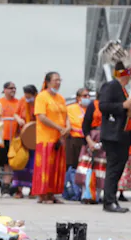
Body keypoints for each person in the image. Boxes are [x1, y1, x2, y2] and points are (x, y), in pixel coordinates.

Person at [99, 60, 131, 213]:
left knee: (119, 168)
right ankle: (108, 201)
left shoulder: (123, 90)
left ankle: (113, 198)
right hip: (112, 135)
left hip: (123, 135)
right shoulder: (111, 86)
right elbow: (103, 106)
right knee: (113, 168)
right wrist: (122, 106)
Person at [32, 72, 69, 204]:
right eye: (55, 80)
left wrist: (67, 127)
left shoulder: (61, 98)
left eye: (59, 80)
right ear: (47, 82)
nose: (58, 82)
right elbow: (41, 117)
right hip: (45, 138)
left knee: (57, 167)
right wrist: (59, 128)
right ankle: (43, 194)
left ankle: (52, 193)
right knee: (45, 166)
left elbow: (66, 115)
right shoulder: (42, 97)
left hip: (59, 138)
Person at [11, 84, 37, 197]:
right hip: (22, 137)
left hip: (35, 138)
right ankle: (19, 190)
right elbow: (16, 114)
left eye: (29, 96)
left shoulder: (39, 102)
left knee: (33, 164)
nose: (27, 98)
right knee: (21, 163)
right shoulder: (22, 101)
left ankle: (33, 189)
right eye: (26, 96)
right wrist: (19, 120)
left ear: (35, 95)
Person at [79, 93, 106, 204]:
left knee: (101, 167)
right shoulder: (93, 105)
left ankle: (96, 196)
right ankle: (86, 195)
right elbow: (85, 125)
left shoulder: (111, 106)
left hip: (105, 138)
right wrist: (89, 141)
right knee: (87, 167)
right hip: (92, 136)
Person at [0, 82, 22, 193]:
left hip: (15, 138)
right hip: (3, 137)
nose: (13, 90)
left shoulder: (18, 102)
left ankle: (14, 184)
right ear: (4, 89)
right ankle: (5, 184)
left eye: (14, 88)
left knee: (14, 161)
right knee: (5, 162)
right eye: (10, 88)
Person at [66, 88, 91, 169]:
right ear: (78, 98)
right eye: (84, 96)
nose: (87, 97)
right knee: (73, 165)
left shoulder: (91, 108)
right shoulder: (70, 108)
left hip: (88, 139)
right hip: (74, 139)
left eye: (88, 95)